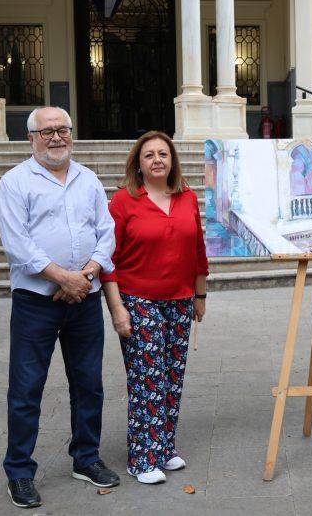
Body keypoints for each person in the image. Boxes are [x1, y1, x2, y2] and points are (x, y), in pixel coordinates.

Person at [0, 106, 120, 508]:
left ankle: (86, 457)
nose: (56, 137)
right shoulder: (15, 182)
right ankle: (19, 471)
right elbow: (17, 243)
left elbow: (106, 232)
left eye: (62, 129)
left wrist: (87, 273)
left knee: (89, 383)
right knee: (26, 387)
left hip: (85, 297)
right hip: (36, 302)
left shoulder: (88, 179)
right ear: (31, 138)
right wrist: (62, 277)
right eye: (47, 131)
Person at [101, 131, 209, 484]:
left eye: (163, 153)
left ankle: (163, 448)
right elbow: (108, 260)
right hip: (137, 299)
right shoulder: (123, 201)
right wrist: (117, 309)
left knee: (172, 377)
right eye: (149, 155)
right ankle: (142, 458)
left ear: (172, 160)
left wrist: (200, 295)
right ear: (138, 163)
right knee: (147, 378)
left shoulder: (187, 197)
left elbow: (198, 249)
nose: (157, 160)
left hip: (180, 300)